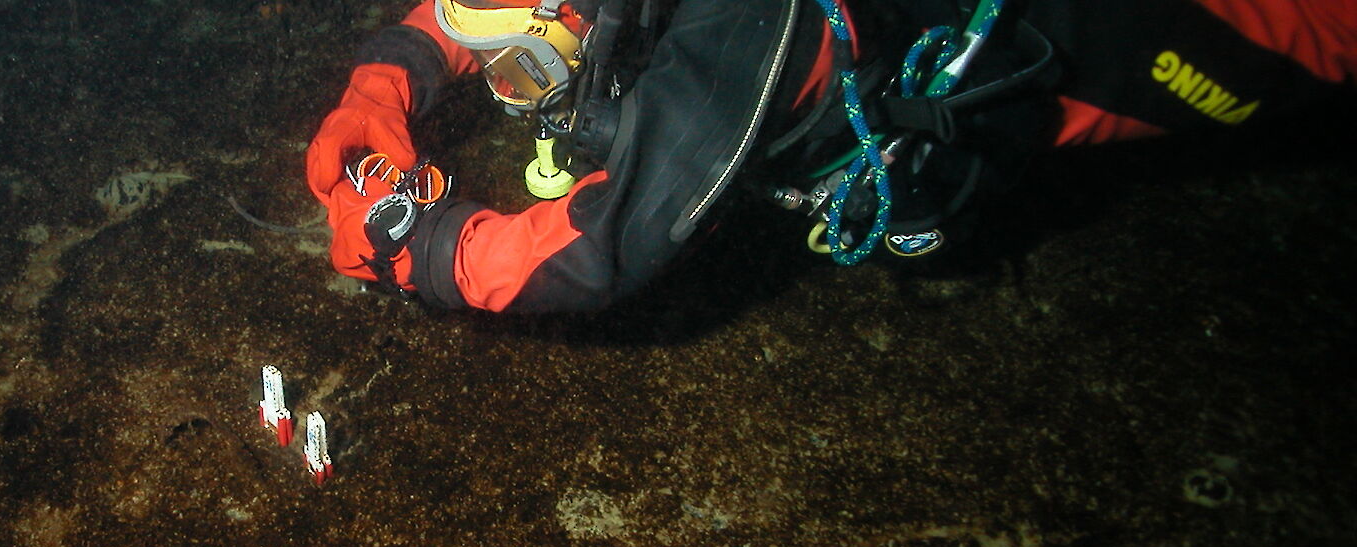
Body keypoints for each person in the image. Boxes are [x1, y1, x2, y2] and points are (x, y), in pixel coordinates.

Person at [305, 0, 1356, 313]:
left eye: (518, 60)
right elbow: (486, 9)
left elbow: (598, 247)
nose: (497, 73)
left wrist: (420, 247)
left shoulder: (745, 27)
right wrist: (384, 81)